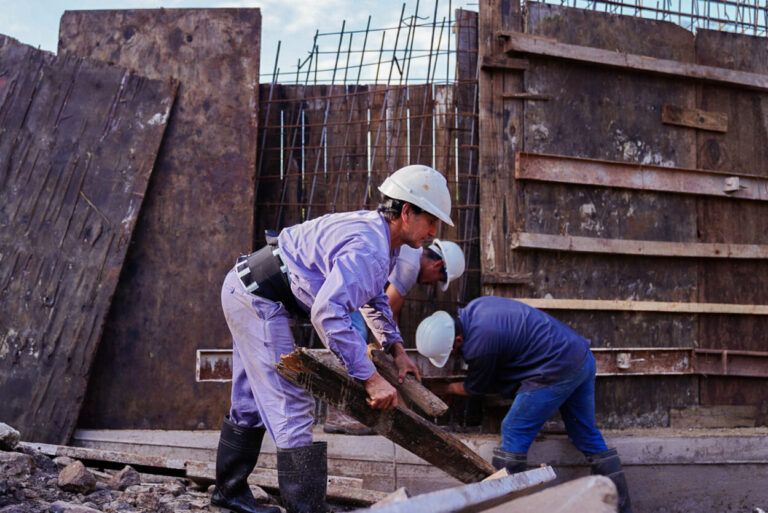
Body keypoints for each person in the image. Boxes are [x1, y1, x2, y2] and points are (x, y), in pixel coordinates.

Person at [211, 165, 454, 513]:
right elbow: (327, 314)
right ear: (406, 212)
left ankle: (228, 495)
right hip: (258, 297)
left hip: (247, 286)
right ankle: (306, 510)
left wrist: (396, 349)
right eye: (431, 221)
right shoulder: (370, 247)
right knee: (292, 404)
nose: (434, 232)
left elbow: (374, 297)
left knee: (249, 402)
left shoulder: (385, 242)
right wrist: (371, 380)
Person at [415, 296, 632, 513]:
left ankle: (506, 508)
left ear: (458, 339)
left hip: (555, 370)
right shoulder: (477, 307)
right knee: (585, 433)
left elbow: (476, 388)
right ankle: (621, 508)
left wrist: (444, 388)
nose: (453, 354)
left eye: (452, 350)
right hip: (581, 359)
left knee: (514, 429)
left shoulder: (481, 344)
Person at [324, 238, 466, 435]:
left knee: (358, 337)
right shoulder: (409, 268)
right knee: (354, 337)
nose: (433, 284)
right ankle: (340, 413)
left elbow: (389, 314)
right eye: (439, 279)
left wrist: (394, 351)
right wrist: (387, 359)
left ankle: (343, 411)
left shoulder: (407, 257)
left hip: (342, 279)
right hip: (336, 281)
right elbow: (384, 314)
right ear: (437, 264)